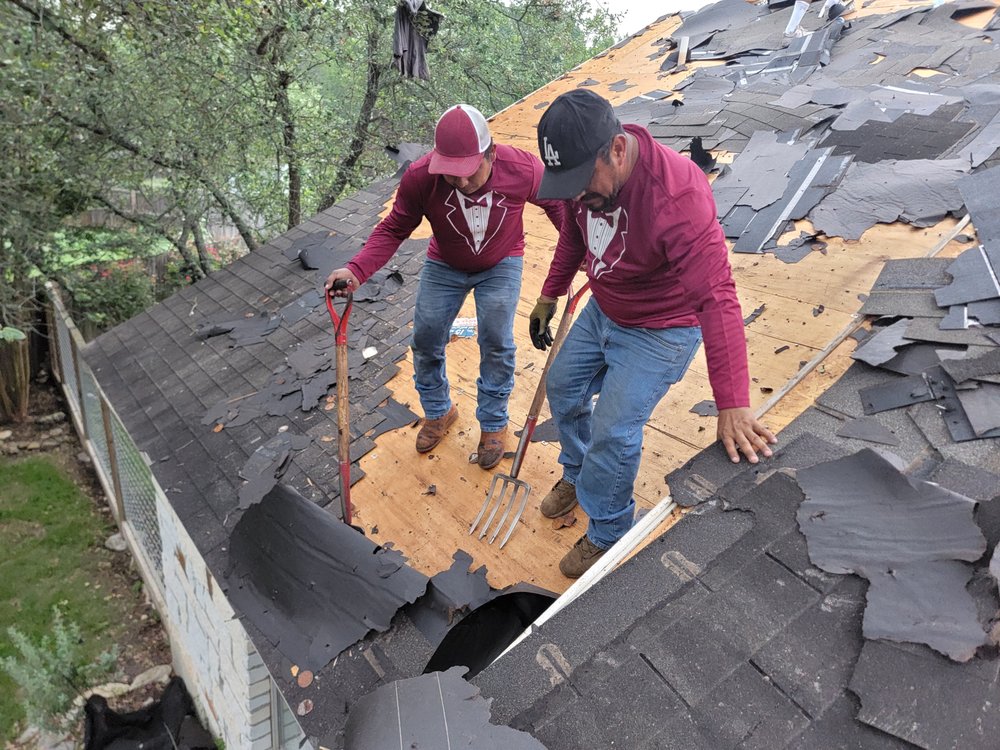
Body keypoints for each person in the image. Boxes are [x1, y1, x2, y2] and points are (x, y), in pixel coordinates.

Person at [529, 89, 776, 578]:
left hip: (661, 327)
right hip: (606, 307)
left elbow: (717, 297)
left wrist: (731, 401)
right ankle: (579, 477)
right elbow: (575, 237)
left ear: (617, 150)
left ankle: (609, 530)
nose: (577, 196)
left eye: (582, 182)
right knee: (562, 387)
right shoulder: (588, 184)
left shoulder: (676, 196)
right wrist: (550, 293)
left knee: (614, 430)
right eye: (568, 185)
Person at [326, 104, 565, 469]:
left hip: (502, 261)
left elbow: (559, 207)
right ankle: (439, 411)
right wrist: (358, 268)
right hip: (445, 265)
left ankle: (493, 423)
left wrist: (578, 249)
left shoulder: (523, 169)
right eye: (451, 174)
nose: (461, 183)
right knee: (425, 337)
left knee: (497, 340)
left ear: (491, 153)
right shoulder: (422, 178)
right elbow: (394, 228)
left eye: (469, 173)